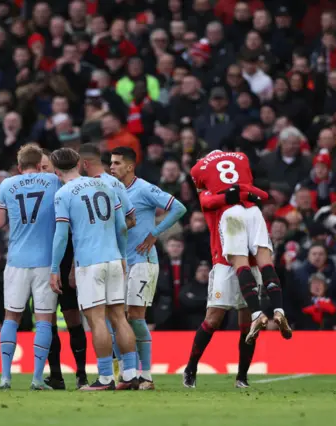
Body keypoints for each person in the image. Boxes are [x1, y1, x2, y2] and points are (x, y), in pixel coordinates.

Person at [49, 147, 138, 391]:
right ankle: (131, 375)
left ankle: (106, 379)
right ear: (78, 163)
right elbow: (122, 225)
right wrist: (121, 255)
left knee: (97, 319)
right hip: (113, 258)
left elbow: (61, 235)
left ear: (56, 171)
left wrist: (55, 267)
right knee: (119, 317)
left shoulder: (63, 193)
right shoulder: (106, 186)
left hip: (90, 262)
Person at [190, 150, 292, 345]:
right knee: (266, 261)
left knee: (240, 266)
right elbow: (262, 194)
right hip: (252, 212)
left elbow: (206, 199)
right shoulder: (241, 157)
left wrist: (228, 196)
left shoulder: (199, 171)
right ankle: (279, 311)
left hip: (230, 225)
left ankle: (257, 315)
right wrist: (244, 193)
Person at [109, 146, 187, 389]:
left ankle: (147, 375)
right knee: (115, 318)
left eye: (116, 163)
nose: (111, 167)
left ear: (130, 166)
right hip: (119, 261)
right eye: (110, 163)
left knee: (135, 316)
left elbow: (179, 208)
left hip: (143, 261)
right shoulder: (111, 190)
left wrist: (155, 234)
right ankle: (126, 375)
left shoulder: (143, 188)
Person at [182, 182, 268, 388]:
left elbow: (264, 195)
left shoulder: (241, 191)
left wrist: (241, 189)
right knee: (213, 319)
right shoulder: (211, 196)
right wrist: (230, 196)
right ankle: (191, 368)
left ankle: (242, 377)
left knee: (248, 324)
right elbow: (206, 199)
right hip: (225, 265)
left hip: (251, 264)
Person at [0, 145, 61, 390]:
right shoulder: (54, 180)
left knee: (11, 317)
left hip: (16, 261)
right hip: (46, 261)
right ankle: (36, 379)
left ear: (19, 166)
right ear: (40, 163)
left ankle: (5, 377)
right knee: (43, 320)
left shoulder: (7, 185)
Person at [38, 150, 89, 390]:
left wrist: (71, 266)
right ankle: (56, 375)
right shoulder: (41, 192)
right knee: (47, 320)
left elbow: (75, 232)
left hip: (66, 260)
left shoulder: (67, 192)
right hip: (42, 263)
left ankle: (81, 375)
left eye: (46, 167)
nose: (44, 172)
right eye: (40, 168)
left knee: (72, 318)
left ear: (56, 170)